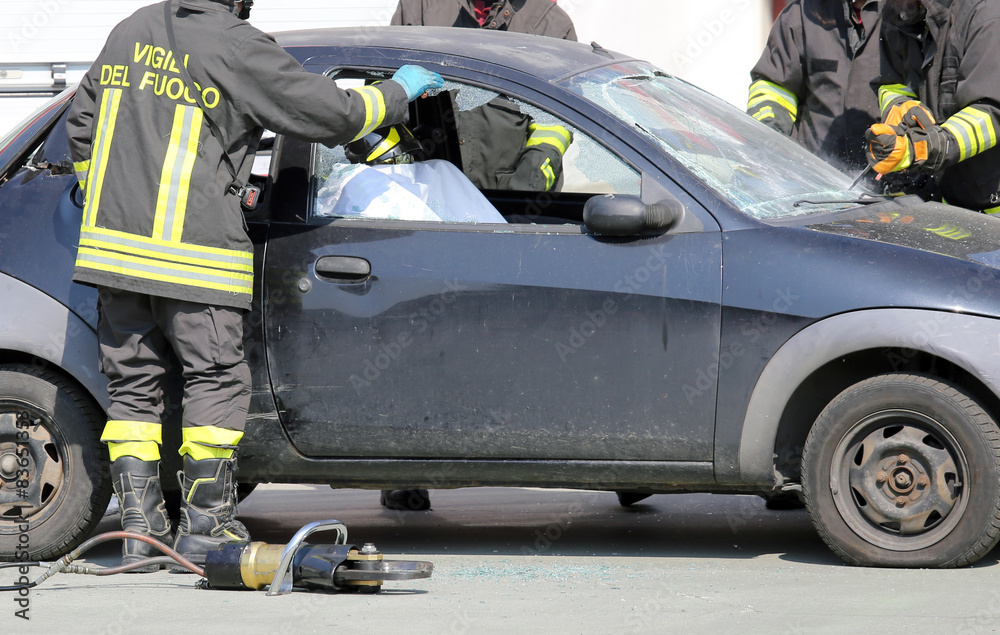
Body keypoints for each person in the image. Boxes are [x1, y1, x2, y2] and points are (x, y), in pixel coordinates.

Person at [66, 0, 442, 569]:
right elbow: (332, 114)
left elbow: (82, 126)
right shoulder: (235, 44)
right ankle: (207, 529)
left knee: (132, 389)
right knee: (215, 379)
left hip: (115, 256)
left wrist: (115, 207)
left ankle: (140, 533)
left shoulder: (130, 30)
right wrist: (397, 91)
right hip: (191, 259)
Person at [381, 0, 574, 512]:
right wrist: (403, 168)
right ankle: (408, 464)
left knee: (514, 334)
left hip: (511, 204)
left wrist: (544, 160)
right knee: (420, 336)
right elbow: (385, 90)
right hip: (428, 203)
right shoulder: (422, 7)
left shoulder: (548, 23)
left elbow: (563, 114)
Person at [864, 0, 1000, 213]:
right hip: (947, 201)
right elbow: (890, 82)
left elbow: (992, 110)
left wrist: (926, 147)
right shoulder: (898, 9)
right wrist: (901, 106)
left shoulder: (989, 13)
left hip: (992, 209)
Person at [748, 0, 883, 173]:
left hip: (893, 191)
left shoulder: (910, 15)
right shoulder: (803, 14)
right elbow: (774, 89)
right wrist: (768, 153)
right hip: (808, 184)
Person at [391, 0, 577, 40]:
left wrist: (539, 144)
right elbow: (385, 91)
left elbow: (562, 119)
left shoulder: (551, 23)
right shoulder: (417, 7)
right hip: (425, 143)